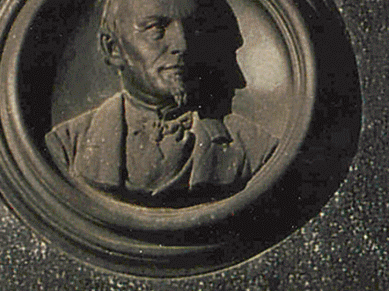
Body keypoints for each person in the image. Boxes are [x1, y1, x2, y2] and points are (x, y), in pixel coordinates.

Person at [44, 0, 276, 205]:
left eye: (192, 27)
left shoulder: (254, 149)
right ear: (113, 48)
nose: (182, 45)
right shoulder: (67, 146)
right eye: (157, 28)